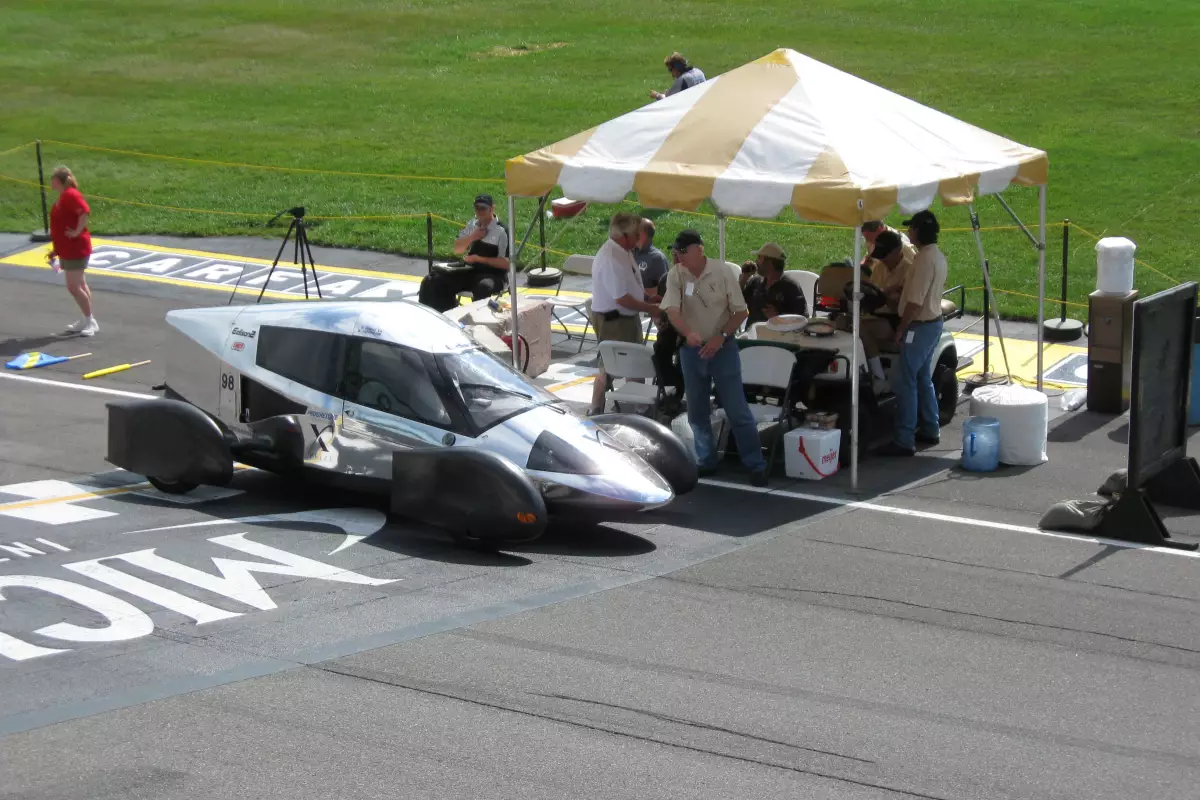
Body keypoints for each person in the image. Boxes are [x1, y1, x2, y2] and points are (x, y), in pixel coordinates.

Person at [660, 229, 768, 486]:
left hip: (723, 349)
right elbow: (672, 311)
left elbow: (741, 312)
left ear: (699, 249)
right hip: (691, 351)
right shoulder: (676, 274)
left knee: (736, 409)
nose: (679, 256)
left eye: (683, 251)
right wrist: (688, 334)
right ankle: (706, 459)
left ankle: (755, 463)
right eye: (676, 251)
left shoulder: (722, 272)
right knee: (697, 411)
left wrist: (720, 337)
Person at [880, 210, 948, 456]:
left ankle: (904, 438)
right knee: (922, 379)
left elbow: (914, 302)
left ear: (918, 231)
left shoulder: (922, 261)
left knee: (905, 382)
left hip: (918, 327)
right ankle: (930, 427)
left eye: (911, 228)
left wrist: (901, 328)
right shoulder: (935, 256)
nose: (908, 232)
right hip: (932, 324)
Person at [588, 212, 662, 414]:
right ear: (625, 235)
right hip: (615, 320)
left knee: (631, 361)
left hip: (623, 317)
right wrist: (650, 308)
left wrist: (646, 298)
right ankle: (597, 408)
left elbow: (630, 286)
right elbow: (622, 298)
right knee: (613, 365)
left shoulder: (623, 251)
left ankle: (639, 405)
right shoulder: (612, 257)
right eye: (637, 234)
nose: (639, 239)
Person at [417, 194, 510, 312]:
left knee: (483, 287)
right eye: (477, 208)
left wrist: (479, 259)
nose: (480, 211)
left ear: (492, 209)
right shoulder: (472, 224)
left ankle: (478, 321)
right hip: (470, 270)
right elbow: (457, 249)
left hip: (493, 274)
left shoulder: (502, 230)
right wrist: (472, 237)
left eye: (483, 208)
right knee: (433, 280)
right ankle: (442, 314)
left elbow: (506, 263)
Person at [47, 166, 97, 336]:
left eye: (53, 179)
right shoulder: (64, 196)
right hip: (67, 248)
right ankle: (86, 319)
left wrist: (76, 232)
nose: (50, 182)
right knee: (80, 284)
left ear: (60, 181)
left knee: (74, 286)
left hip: (76, 247)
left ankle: (90, 321)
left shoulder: (71, 195)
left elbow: (84, 212)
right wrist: (56, 250)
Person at [742, 242, 807, 325]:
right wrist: (744, 278)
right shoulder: (755, 282)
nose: (756, 261)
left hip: (778, 335)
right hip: (752, 334)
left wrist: (778, 317)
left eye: (759, 258)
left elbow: (802, 319)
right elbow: (736, 302)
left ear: (770, 263)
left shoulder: (791, 287)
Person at [633, 218, 669, 296]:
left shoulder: (657, 258)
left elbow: (663, 290)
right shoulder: (629, 251)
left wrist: (634, 291)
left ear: (643, 234)